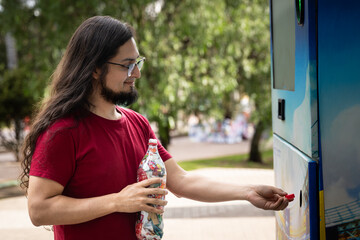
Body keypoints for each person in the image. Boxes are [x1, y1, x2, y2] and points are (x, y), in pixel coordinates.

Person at [20, 16, 292, 240]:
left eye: (137, 63)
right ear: (94, 69)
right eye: (127, 65)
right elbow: (39, 209)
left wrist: (247, 192)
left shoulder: (137, 124)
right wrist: (117, 201)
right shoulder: (62, 131)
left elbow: (182, 181)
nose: (136, 74)